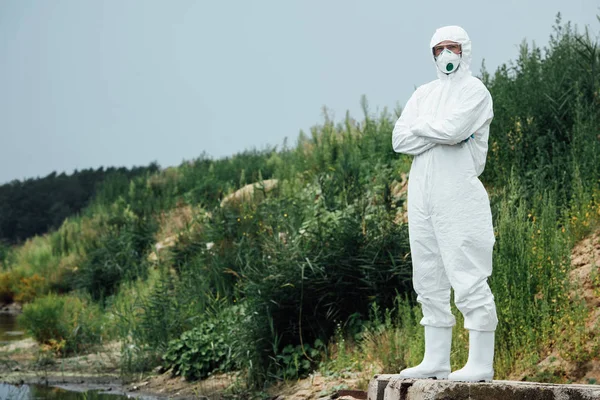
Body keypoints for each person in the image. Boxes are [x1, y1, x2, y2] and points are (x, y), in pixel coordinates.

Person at [391, 25, 497, 382]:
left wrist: (424, 129)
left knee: (467, 270)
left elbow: (455, 132)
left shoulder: (475, 91)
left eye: (452, 47)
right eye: (438, 50)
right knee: (427, 274)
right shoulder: (423, 93)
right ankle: (436, 359)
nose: (445, 55)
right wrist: (436, 130)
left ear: (465, 49)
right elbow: (399, 138)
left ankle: (480, 362)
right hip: (422, 193)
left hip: (458, 193)